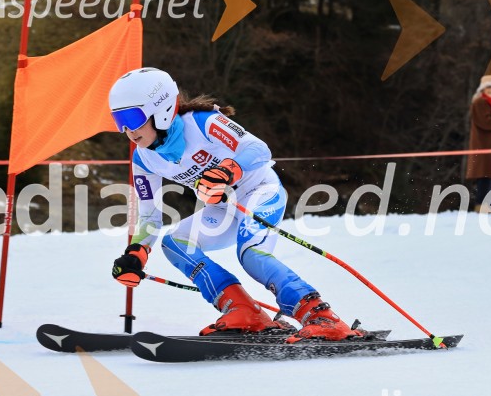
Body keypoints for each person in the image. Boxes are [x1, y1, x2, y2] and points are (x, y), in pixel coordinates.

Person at [107, 68, 362, 342]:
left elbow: (259, 150)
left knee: (251, 253)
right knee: (176, 243)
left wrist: (229, 170)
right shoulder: (144, 160)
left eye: (132, 118)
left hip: (259, 191)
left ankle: (319, 315)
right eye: (119, 121)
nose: (128, 131)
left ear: (162, 110)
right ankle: (243, 310)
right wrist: (137, 253)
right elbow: (149, 215)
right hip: (223, 207)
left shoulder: (202, 123)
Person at [466, 75, 491, 209]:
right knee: (484, 175)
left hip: (490, 144)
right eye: (488, 87)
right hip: (483, 145)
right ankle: (480, 205)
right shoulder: (480, 102)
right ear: (483, 88)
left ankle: (484, 204)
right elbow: (486, 122)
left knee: (488, 176)